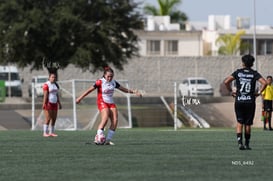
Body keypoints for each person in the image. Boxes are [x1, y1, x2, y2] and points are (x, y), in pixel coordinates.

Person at [76, 67, 142, 145]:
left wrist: (134, 92)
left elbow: (123, 89)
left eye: (111, 76)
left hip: (111, 103)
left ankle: (108, 140)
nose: (110, 78)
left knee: (115, 120)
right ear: (104, 75)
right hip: (102, 102)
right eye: (108, 76)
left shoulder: (113, 82)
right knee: (105, 118)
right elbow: (89, 90)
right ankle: (98, 136)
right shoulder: (99, 82)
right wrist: (80, 98)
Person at [224, 54, 267, 150]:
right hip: (250, 101)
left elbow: (226, 81)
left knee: (240, 122)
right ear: (252, 64)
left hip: (239, 100)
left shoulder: (238, 72)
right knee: (248, 123)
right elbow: (264, 83)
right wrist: (259, 92)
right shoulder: (254, 73)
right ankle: (247, 144)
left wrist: (231, 91)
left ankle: (240, 143)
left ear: (243, 63)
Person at [42, 73, 62, 137]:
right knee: (48, 118)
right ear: (49, 78)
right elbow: (45, 95)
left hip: (55, 104)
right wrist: (44, 104)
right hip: (48, 103)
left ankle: (52, 132)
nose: (54, 78)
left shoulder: (55, 85)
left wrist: (59, 103)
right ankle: (45, 132)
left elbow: (57, 95)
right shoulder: (46, 85)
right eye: (52, 77)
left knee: (54, 118)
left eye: (54, 77)